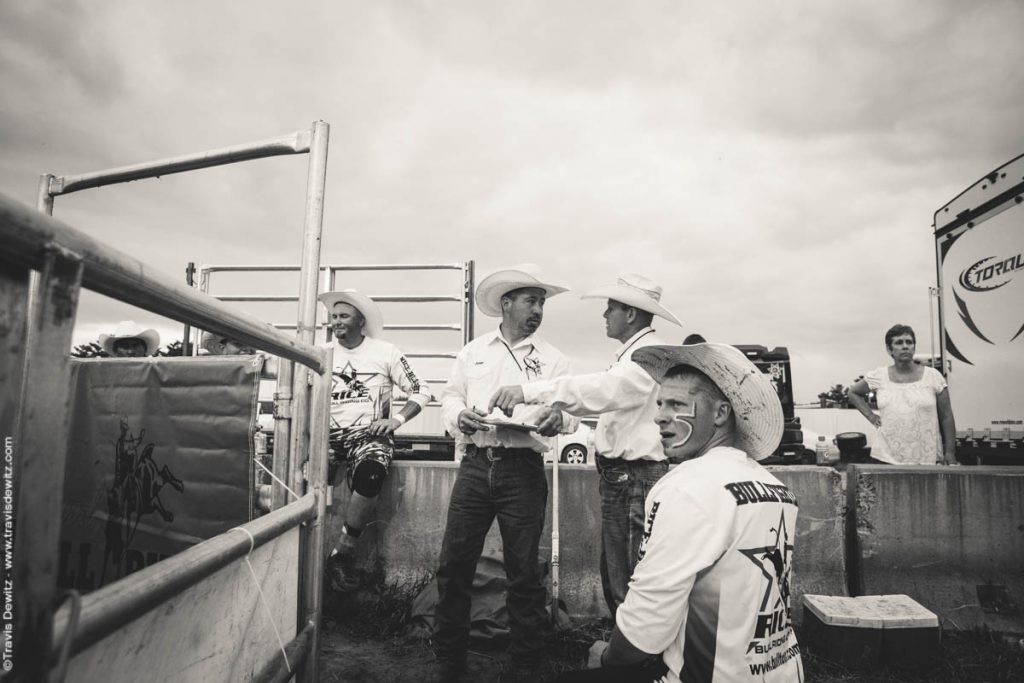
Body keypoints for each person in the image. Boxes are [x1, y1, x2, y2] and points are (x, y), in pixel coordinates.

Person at [559, 343, 803, 682]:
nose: (659, 415)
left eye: (676, 404)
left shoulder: (686, 487)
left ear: (720, 414)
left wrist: (607, 656)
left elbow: (644, 631)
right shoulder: (778, 490)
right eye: (660, 403)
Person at [488, 272, 681, 617]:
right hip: (625, 476)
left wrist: (529, 391)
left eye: (611, 308)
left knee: (629, 577)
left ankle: (632, 660)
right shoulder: (635, 355)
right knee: (620, 572)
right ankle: (628, 653)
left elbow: (602, 391)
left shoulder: (644, 357)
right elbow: (607, 400)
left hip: (633, 477)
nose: (605, 314)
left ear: (631, 314)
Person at [432, 264, 577, 683]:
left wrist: (557, 420)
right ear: (506, 304)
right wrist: (459, 416)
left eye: (542, 303)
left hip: (523, 470)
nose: (538, 310)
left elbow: (569, 415)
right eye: (531, 301)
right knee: (454, 565)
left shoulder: (554, 360)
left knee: (524, 573)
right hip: (476, 466)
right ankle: (449, 660)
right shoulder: (473, 351)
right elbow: (450, 397)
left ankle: (526, 664)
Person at [318, 289, 433, 592]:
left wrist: (396, 420)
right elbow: (303, 395)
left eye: (343, 316)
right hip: (324, 436)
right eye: (333, 317)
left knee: (371, 473)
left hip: (368, 437)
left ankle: (342, 553)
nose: (336, 322)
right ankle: (302, 560)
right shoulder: (321, 352)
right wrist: (311, 442)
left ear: (361, 321)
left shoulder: (385, 352)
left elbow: (422, 390)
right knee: (303, 480)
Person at [847, 323, 957, 465]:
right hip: (887, 458)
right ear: (889, 349)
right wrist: (871, 416)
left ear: (914, 347)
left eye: (909, 342)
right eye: (899, 342)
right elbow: (853, 392)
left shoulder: (933, 377)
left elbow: (947, 417)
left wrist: (950, 452)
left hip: (926, 459)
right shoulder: (879, 376)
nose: (905, 346)